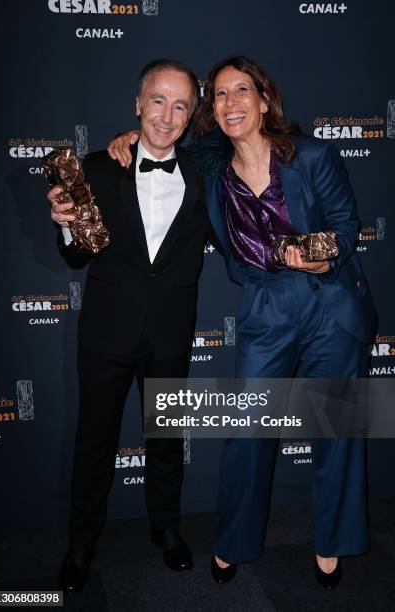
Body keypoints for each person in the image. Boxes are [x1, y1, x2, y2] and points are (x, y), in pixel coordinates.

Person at [108, 55, 377, 590]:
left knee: (337, 432)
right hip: (265, 306)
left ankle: (332, 543)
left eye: (241, 91)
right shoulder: (208, 173)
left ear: (263, 99)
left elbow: (347, 225)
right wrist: (126, 139)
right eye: (221, 95)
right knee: (248, 431)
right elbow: (156, 146)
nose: (231, 103)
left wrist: (327, 255)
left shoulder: (313, 155)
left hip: (329, 305)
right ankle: (233, 541)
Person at [47, 59, 210, 593]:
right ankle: (81, 544)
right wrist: (69, 228)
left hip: (169, 334)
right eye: (157, 101)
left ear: (192, 114)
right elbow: (75, 259)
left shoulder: (206, 174)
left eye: (180, 104)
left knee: (166, 440)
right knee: (94, 442)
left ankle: (166, 530)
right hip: (107, 333)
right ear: (138, 104)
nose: (167, 116)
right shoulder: (96, 167)